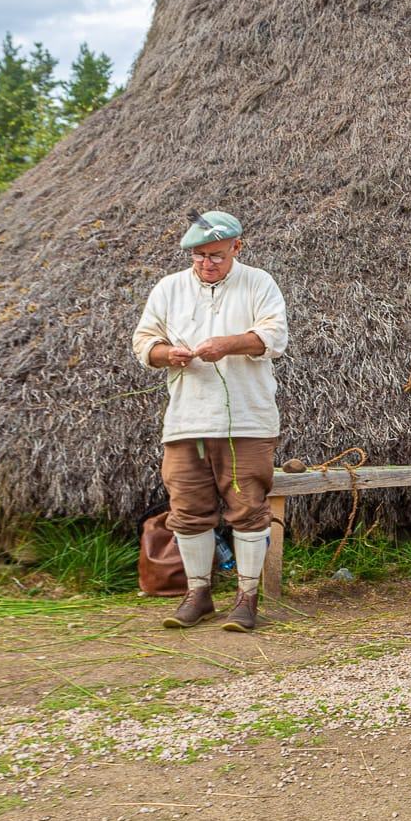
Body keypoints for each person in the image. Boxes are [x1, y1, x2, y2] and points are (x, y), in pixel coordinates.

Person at [131, 210, 289, 632]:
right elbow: (143, 342)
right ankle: (198, 595)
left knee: (248, 509)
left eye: (216, 255)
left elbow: (274, 337)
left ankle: (246, 599)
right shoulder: (168, 289)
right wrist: (168, 354)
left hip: (247, 421)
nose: (207, 263)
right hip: (186, 421)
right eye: (199, 256)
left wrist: (229, 344)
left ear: (237, 247)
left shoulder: (259, 283)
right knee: (187, 509)